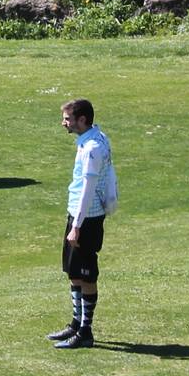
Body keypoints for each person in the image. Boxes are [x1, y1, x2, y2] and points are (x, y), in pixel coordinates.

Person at [50, 97, 117, 349]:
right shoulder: (92, 140)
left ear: (82, 120)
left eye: (67, 119)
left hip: (87, 218)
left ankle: (85, 331)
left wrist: (76, 226)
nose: (63, 123)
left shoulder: (92, 149)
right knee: (74, 272)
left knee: (86, 275)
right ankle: (76, 324)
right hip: (79, 214)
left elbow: (88, 189)